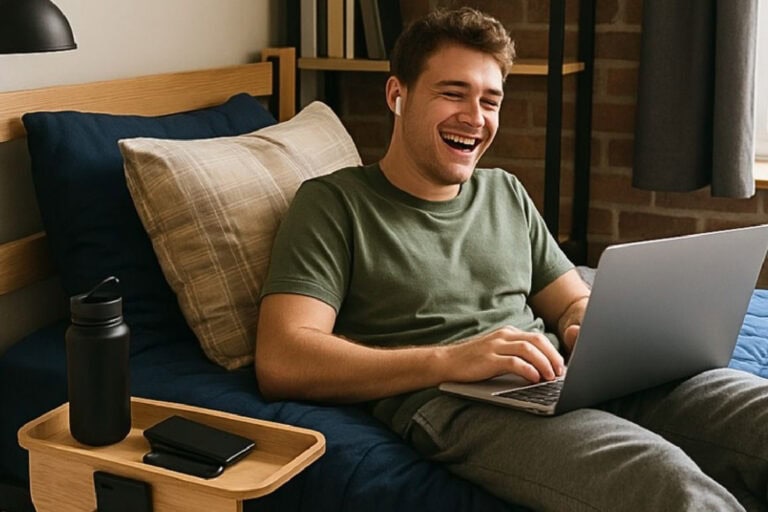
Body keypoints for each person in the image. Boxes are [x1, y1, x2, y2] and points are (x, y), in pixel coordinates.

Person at [256, 7, 768, 511]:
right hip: (457, 402)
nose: (475, 118)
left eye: (490, 100)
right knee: (662, 482)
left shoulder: (504, 191)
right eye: (452, 93)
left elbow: (569, 301)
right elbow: (284, 359)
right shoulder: (333, 202)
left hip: (559, 377)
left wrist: (585, 326)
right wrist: (454, 359)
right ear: (398, 95)